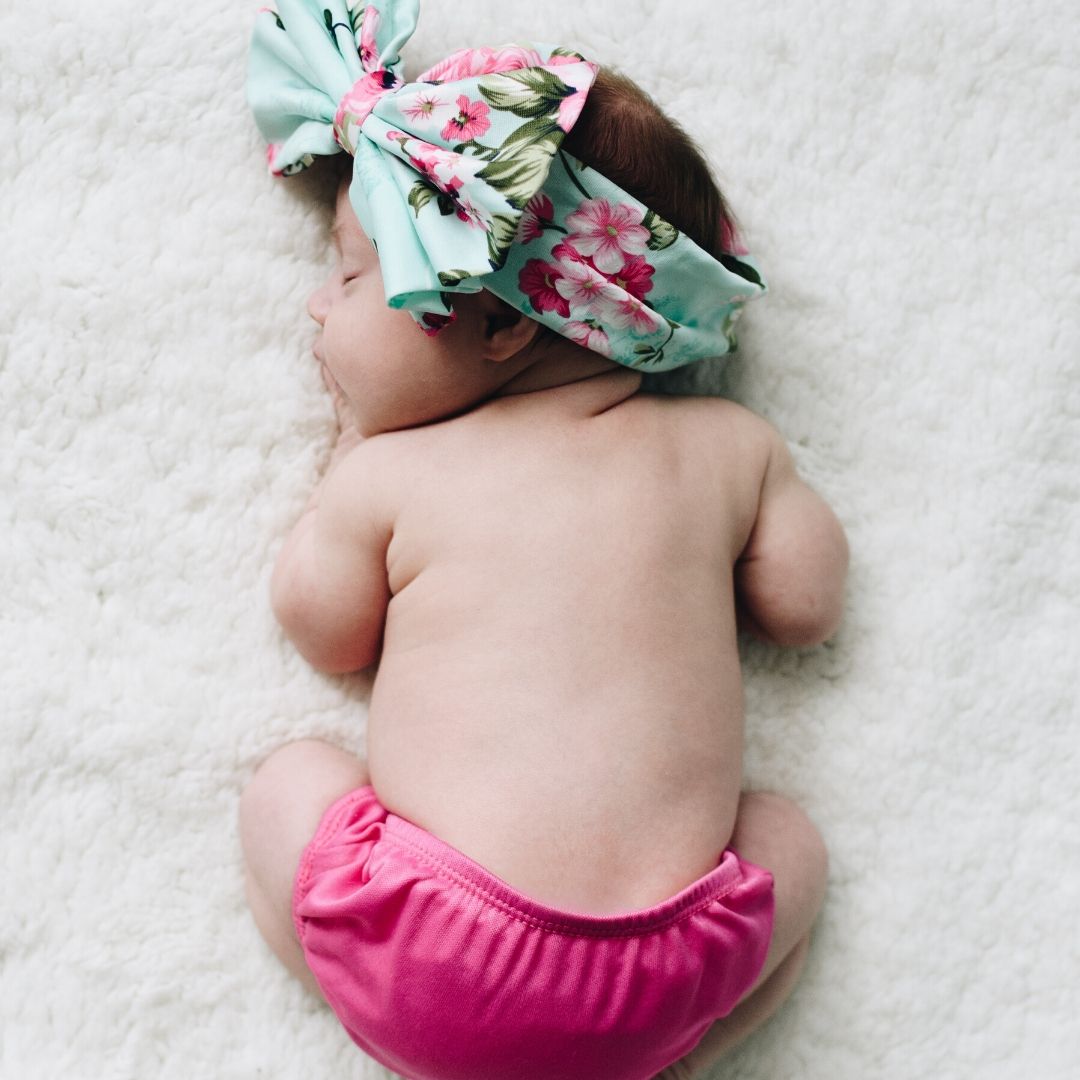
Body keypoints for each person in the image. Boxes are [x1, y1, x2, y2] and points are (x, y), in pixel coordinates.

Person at [241, 3, 848, 1078]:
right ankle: (663, 1057)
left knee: (288, 782)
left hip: (432, 955)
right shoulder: (727, 448)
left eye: (352, 275)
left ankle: (404, 1041)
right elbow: (807, 611)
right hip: (661, 973)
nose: (317, 309)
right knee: (791, 843)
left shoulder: (395, 473)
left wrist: (346, 458)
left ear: (505, 323)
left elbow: (323, 631)